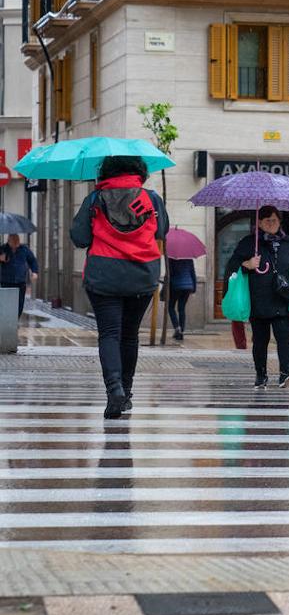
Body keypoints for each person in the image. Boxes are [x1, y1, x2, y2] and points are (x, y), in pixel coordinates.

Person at [70, 156, 169, 420]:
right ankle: (126, 391)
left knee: (110, 334)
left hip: (104, 276)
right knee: (130, 335)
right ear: (140, 172)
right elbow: (162, 230)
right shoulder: (151, 199)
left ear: (105, 172)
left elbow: (79, 238)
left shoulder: (95, 200)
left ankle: (114, 390)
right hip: (142, 275)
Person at [225, 205, 289, 389]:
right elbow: (232, 266)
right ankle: (261, 375)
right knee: (260, 341)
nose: (272, 224)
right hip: (259, 299)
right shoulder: (249, 242)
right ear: (259, 223)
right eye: (267, 220)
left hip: (282, 298)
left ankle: (285, 374)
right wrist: (247, 264)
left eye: (275, 220)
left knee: (284, 338)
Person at [0, 234, 39, 316]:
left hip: (20, 282)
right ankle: (8, 321)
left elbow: (32, 260)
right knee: (7, 303)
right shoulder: (2, 249)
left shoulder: (24, 249)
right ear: (9, 241)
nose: (16, 243)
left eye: (17, 240)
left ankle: (15, 320)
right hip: (6, 281)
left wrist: (34, 272)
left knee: (20, 304)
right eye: (14, 241)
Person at [167, 257, 196, 341]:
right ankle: (181, 331)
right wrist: (194, 288)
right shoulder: (189, 259)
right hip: (188, 286)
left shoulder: (171, 259)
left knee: (170, 307)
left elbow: (170, 273)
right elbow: (193, 273)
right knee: (181, 308)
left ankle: (177, 328)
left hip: (176, 286)